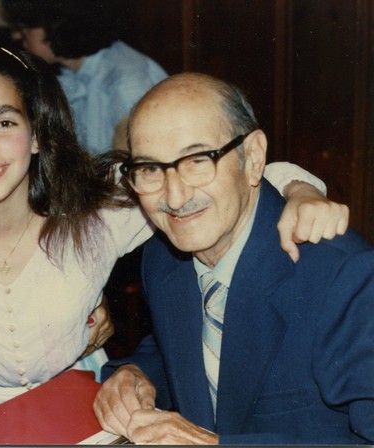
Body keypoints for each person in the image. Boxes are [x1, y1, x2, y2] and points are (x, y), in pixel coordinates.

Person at [0, 45, 348, 415]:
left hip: (89, 412)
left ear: (37, 133)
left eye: (4, 122)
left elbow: (228, 176)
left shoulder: (96, 211)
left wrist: (303, 191)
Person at [93, 72, 374, 444]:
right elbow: (183, 350)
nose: (175, 198)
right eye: (150, 169)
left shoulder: (345, 277)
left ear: (254, 157)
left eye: (197, 160)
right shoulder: (164, 258)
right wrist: (135, 372)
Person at [2, 0, 168, 154]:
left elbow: (124, 169)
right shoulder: (69, 74)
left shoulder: (127, 81)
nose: (17, 36)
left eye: (25, 27)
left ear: (58, 25)